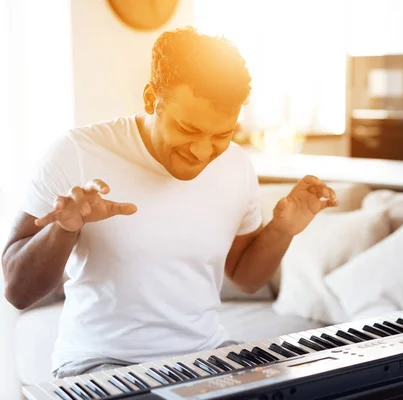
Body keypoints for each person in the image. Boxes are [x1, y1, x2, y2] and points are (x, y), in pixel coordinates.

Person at [1, 26, 338, 378]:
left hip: (206, 356)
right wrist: (63, 228)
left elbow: (246, 278)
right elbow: (17, 291)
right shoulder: (76, 153)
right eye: (189, 129)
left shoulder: (236, 164)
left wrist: (282, 229)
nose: (203, 152)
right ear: (150, 99)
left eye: (222, 134)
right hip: (100, 362)